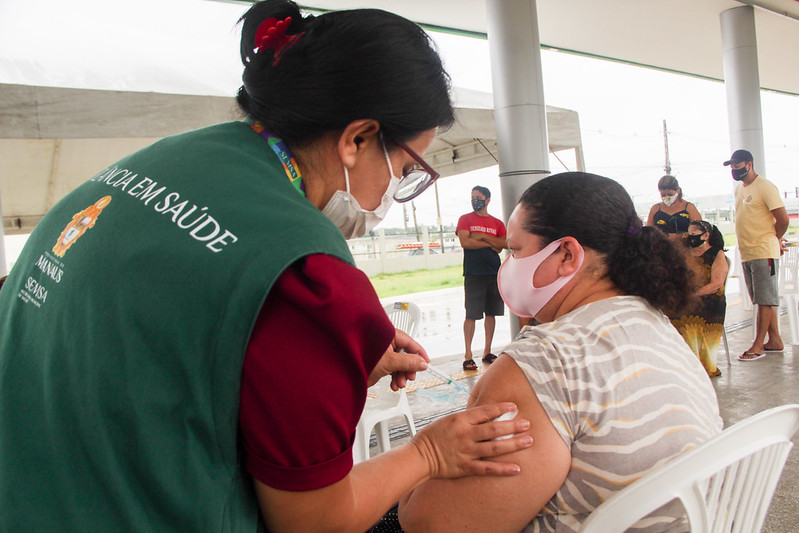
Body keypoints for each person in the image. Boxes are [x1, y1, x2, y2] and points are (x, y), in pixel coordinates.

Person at [0, 2, 534, 531]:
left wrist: (319, 362)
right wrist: (429, 454)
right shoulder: (306, 275)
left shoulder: (162, 162)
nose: (396, 188)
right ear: (358, 139)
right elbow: (315, 522)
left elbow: (167, 341)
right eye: (403, 168)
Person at [399, 172, 722, 532]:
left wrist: (423, 459)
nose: (509, 264)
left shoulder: (545, 362)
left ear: (567, 254)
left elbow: (430, 524)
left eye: (516, 250)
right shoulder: (658, 326)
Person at [725, 149, 789, 361]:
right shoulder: (740, 190)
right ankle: (775, 340)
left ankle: (758, 345)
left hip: (764, 250)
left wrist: (774, 238)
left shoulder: (765, 187)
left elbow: (783, 219)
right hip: (748, 252)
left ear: (749, 164)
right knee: (759, 299)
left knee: (765, 300)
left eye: (738, 165)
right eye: (732, 167)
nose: (735, 170)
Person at [456, 185, 507, 371]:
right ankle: (468, 355)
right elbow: (465, 242)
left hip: (493, 273)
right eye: (472, 197)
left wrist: (483, 236)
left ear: (487, 200)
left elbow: (503, 244)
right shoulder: (465, 219)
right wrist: (490, 244)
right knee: (471, 315)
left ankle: (487, 352)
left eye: (478, 197)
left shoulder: (497, 223)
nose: (474, 200)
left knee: (491, 313)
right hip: (473, 274)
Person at [671, 220, 729, 378]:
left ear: (706, 235)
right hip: (690, 295)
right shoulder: (685, 253)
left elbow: (716, 284)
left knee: (686, 317)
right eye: (689, 234)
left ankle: (695, 364)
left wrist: (693, 295)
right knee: (666, 312)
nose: (690, 238)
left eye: (694, 235)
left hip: (710, 299)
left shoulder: (717, 254)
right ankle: (678, 362)